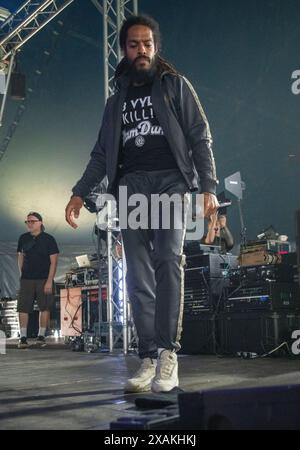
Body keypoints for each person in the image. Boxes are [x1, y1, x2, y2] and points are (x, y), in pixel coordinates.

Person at [65, 15, 218, 393]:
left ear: (155, 46)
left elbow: (200, 136)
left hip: (170, 183)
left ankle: (168, 354)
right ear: (124, 50)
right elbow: (101, 154)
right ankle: (148, 356)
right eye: (134, 44)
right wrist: (80, 191)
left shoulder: (174, 86)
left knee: (169, 261)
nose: (142, 50)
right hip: (132, 190)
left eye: (147, 43)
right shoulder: (115, 102)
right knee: (137, 274)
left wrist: (208, 186)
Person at [17, 212, 59, 349]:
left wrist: (49, 280)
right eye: (27, 221)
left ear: (40, 223)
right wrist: (21, 272)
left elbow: (53, 262)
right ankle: (23, 337)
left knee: (44, 306)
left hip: (43, 278)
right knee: (23, 307)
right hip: (27, 279)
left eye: (32, 221)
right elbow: (20, 256)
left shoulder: (49, 239)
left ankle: (41, 336)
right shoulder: (23, 238)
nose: (29, 224)